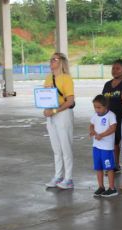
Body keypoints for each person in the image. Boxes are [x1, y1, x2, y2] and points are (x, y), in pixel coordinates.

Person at [44, 52, 75, 189]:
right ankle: (58, 176)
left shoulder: (66, 78)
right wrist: (46, 109)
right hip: (51, 115)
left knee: (65, 147)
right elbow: (45, 96)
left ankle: (68, 178)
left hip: (63, 114)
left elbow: (70, 101)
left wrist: (55, 110)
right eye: (50, 59)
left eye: (54, 59)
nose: (51, 61)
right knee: (56, 148)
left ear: (61, 62)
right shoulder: (48, 78)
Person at [102, 59, 122, 173]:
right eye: (113, 68)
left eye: (117, 68)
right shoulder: (107, 85)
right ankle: (115, 164)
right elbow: (103, 101)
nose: (114, 70)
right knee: (113, 142)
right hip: (110, 119)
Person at [89, 95, 118, 197]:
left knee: (109, 167)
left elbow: (113, 128)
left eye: (99, 107)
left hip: (106, 147)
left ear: (105, 106)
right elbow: (91, 124)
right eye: (95, 107)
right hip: (96, 146)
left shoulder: (111, 115)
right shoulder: (95, 115)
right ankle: (101, 187)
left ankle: (112, 188)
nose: (96, 110)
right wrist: (92, 131)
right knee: (98, 167)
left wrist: (102, 135)